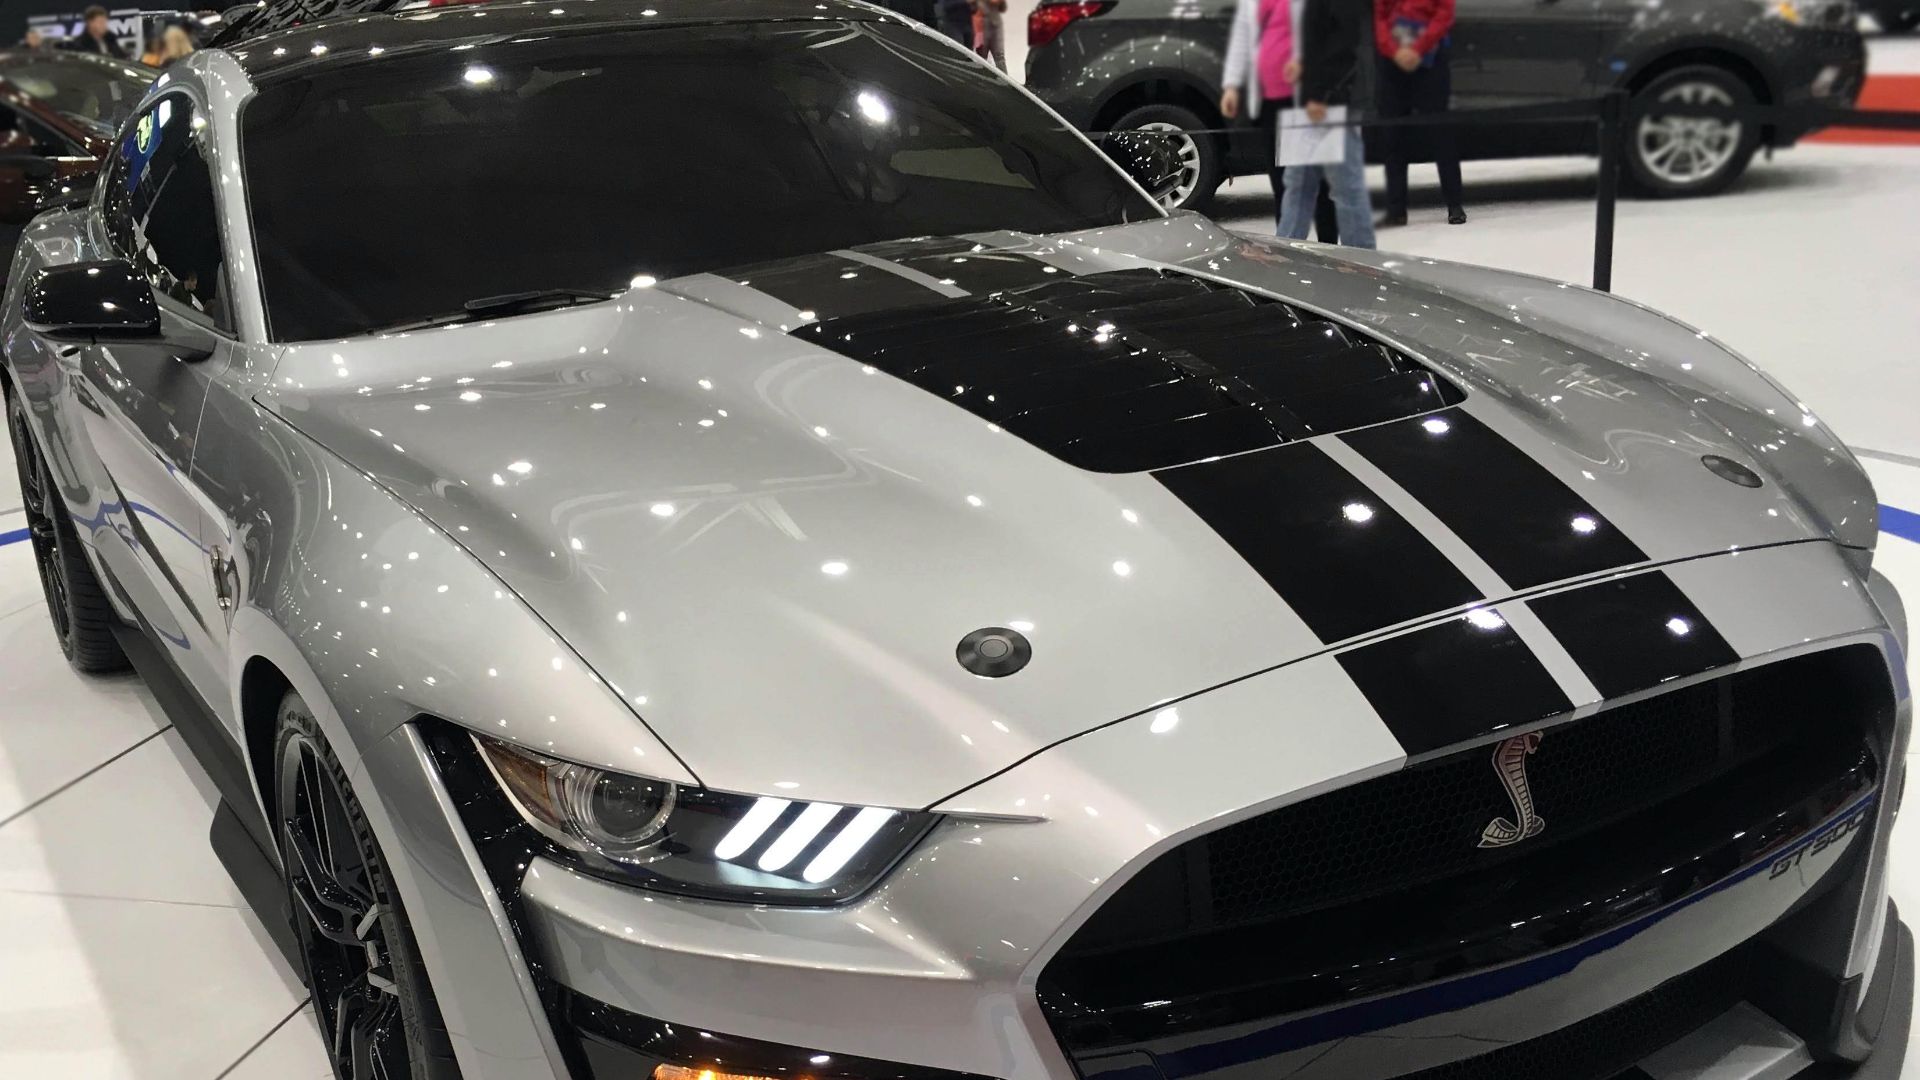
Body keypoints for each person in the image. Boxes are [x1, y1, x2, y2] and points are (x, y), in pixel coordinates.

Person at [1220, 0, 1337, 239]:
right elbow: (1242, 36)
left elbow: (1329, 36)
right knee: (1281, 183)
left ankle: (1331, 248)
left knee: (1320, 183)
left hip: (1309, 98)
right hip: (1269, 102)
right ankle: (1288, 252)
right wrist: (1232, 85)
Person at [1276, 0, 1375, 248]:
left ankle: (1365, 264)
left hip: (1331, 101)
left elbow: (1346, 42)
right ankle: (1284, 255)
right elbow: (1318, 36)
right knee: (1298, 184)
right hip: (1314, 97)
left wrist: (1322, 95)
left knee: (1345, 189)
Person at [1375, 0, 1465, 225]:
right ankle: (1397, 210)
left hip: (1430, 55)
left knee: (1439, 132)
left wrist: (1417, 48)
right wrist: (1394, 51)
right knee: (1393, 135)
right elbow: (1379, 16)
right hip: (1392, 59)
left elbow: (1444, 14)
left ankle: (1454, 204)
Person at [61, 6, 129, 59]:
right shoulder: (80, 44)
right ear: (90, 23)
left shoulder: (110, 39)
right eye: (100, 22)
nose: (104, 25)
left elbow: (121, 56)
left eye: (105, 22)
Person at [972, 0, 1007, 72]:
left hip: (995, 28)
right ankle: (981, 80)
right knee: (982, 58)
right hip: (981, 29)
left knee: (999, 57)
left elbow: (1003, 8)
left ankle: (1005, 81)